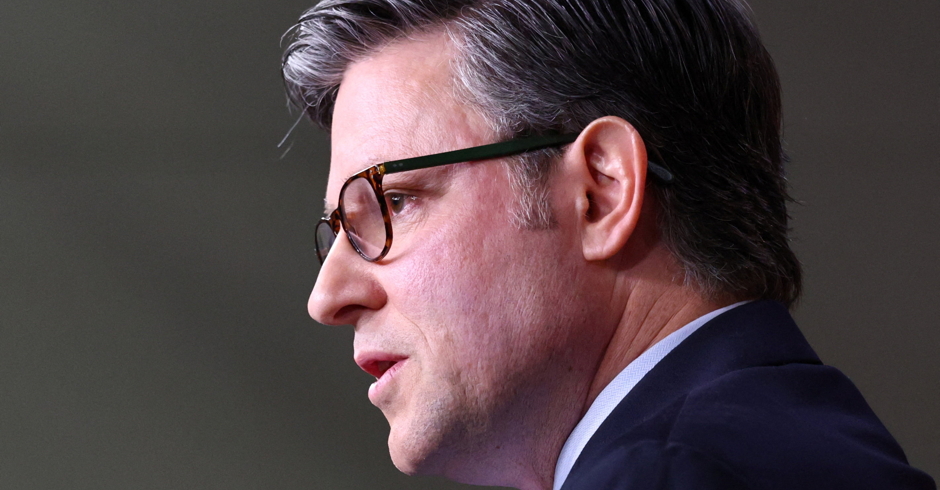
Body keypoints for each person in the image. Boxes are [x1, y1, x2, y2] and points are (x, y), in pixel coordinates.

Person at [281, 0, 937, 488]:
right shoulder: (801, 448)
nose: (326, 297)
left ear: (602, 190)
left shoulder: (669, 477)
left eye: (393, 203)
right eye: (339, 230)